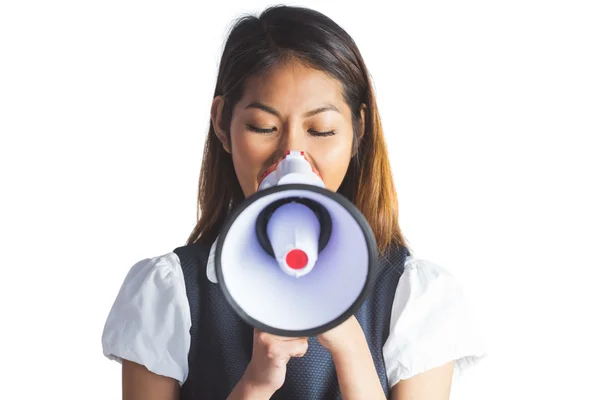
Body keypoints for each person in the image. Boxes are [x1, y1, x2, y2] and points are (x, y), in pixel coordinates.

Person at [102, 5, 486, 399]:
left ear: (358, 130)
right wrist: (255, 384)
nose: (291, 155)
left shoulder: (414, 296)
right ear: (221, 122)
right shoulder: (169, 292)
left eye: (321, 130)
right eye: (263, 127)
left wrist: (351, 349)